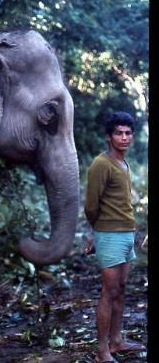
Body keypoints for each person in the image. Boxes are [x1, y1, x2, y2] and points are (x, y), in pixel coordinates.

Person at [84, 111, 146, 363]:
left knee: (120, 289)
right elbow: (91, 206)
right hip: (110, 234)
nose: (124, 137)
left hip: (127, 232)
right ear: (109, 137)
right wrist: (97, 233)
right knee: (108, 291)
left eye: (128, 133)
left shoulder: (124, 163)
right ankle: (102, 351)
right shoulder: (101, 164)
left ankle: (118, 341)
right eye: (118, 133)